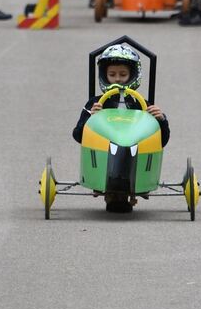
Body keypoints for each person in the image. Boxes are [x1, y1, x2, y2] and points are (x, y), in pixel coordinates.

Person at [71, 43, 169, 212]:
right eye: (112, 74)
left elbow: (162, 139)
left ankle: (133, 187)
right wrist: (91, 119)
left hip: (135, 154)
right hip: (104, 157)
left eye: (123, 74)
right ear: (104, 75)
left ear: (133, 75)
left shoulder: (143, 105)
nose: (117, 79)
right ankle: (108, 189)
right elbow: (78, 135)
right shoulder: (95, 104)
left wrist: (160, 119)